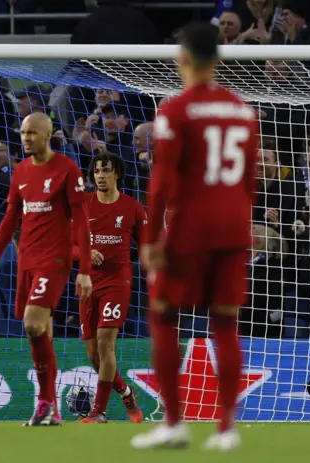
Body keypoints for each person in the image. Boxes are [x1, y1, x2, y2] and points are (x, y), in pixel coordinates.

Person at [130, 22, 259, 451]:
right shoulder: (244, 110)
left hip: (189, 229)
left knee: (164, 315)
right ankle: (225, 429)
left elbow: (162, 180)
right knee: (225, 323)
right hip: (233, 228)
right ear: (218, 60)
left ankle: (173, 423)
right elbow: (249, 181)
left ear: (182, 59)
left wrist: (150, 238)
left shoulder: (175, 110)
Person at [0, 112, 93, 426]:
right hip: (25, 259)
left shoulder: (67, 169)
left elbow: (81, 218)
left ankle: (44, 402)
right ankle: (51, 408)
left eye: (32, 133)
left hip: (54, 260)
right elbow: (10, 220)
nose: (26, 138)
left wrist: (83, 268)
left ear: (47, 134)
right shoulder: (20, 172)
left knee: (32, 324)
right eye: (23, 133)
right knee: (41, 332)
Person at [73, 152, 147, 424]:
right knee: (94, 356)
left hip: (118, 281)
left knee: (106, 342)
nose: (100, 175)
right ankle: (126, 393)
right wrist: (84, 252)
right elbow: (68, 245)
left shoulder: (134, 208)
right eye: (97, 171)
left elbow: (146, 248)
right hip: (88, 282)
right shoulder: (82, 206)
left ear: (117, 174)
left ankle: (99, 412)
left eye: (106, 170)